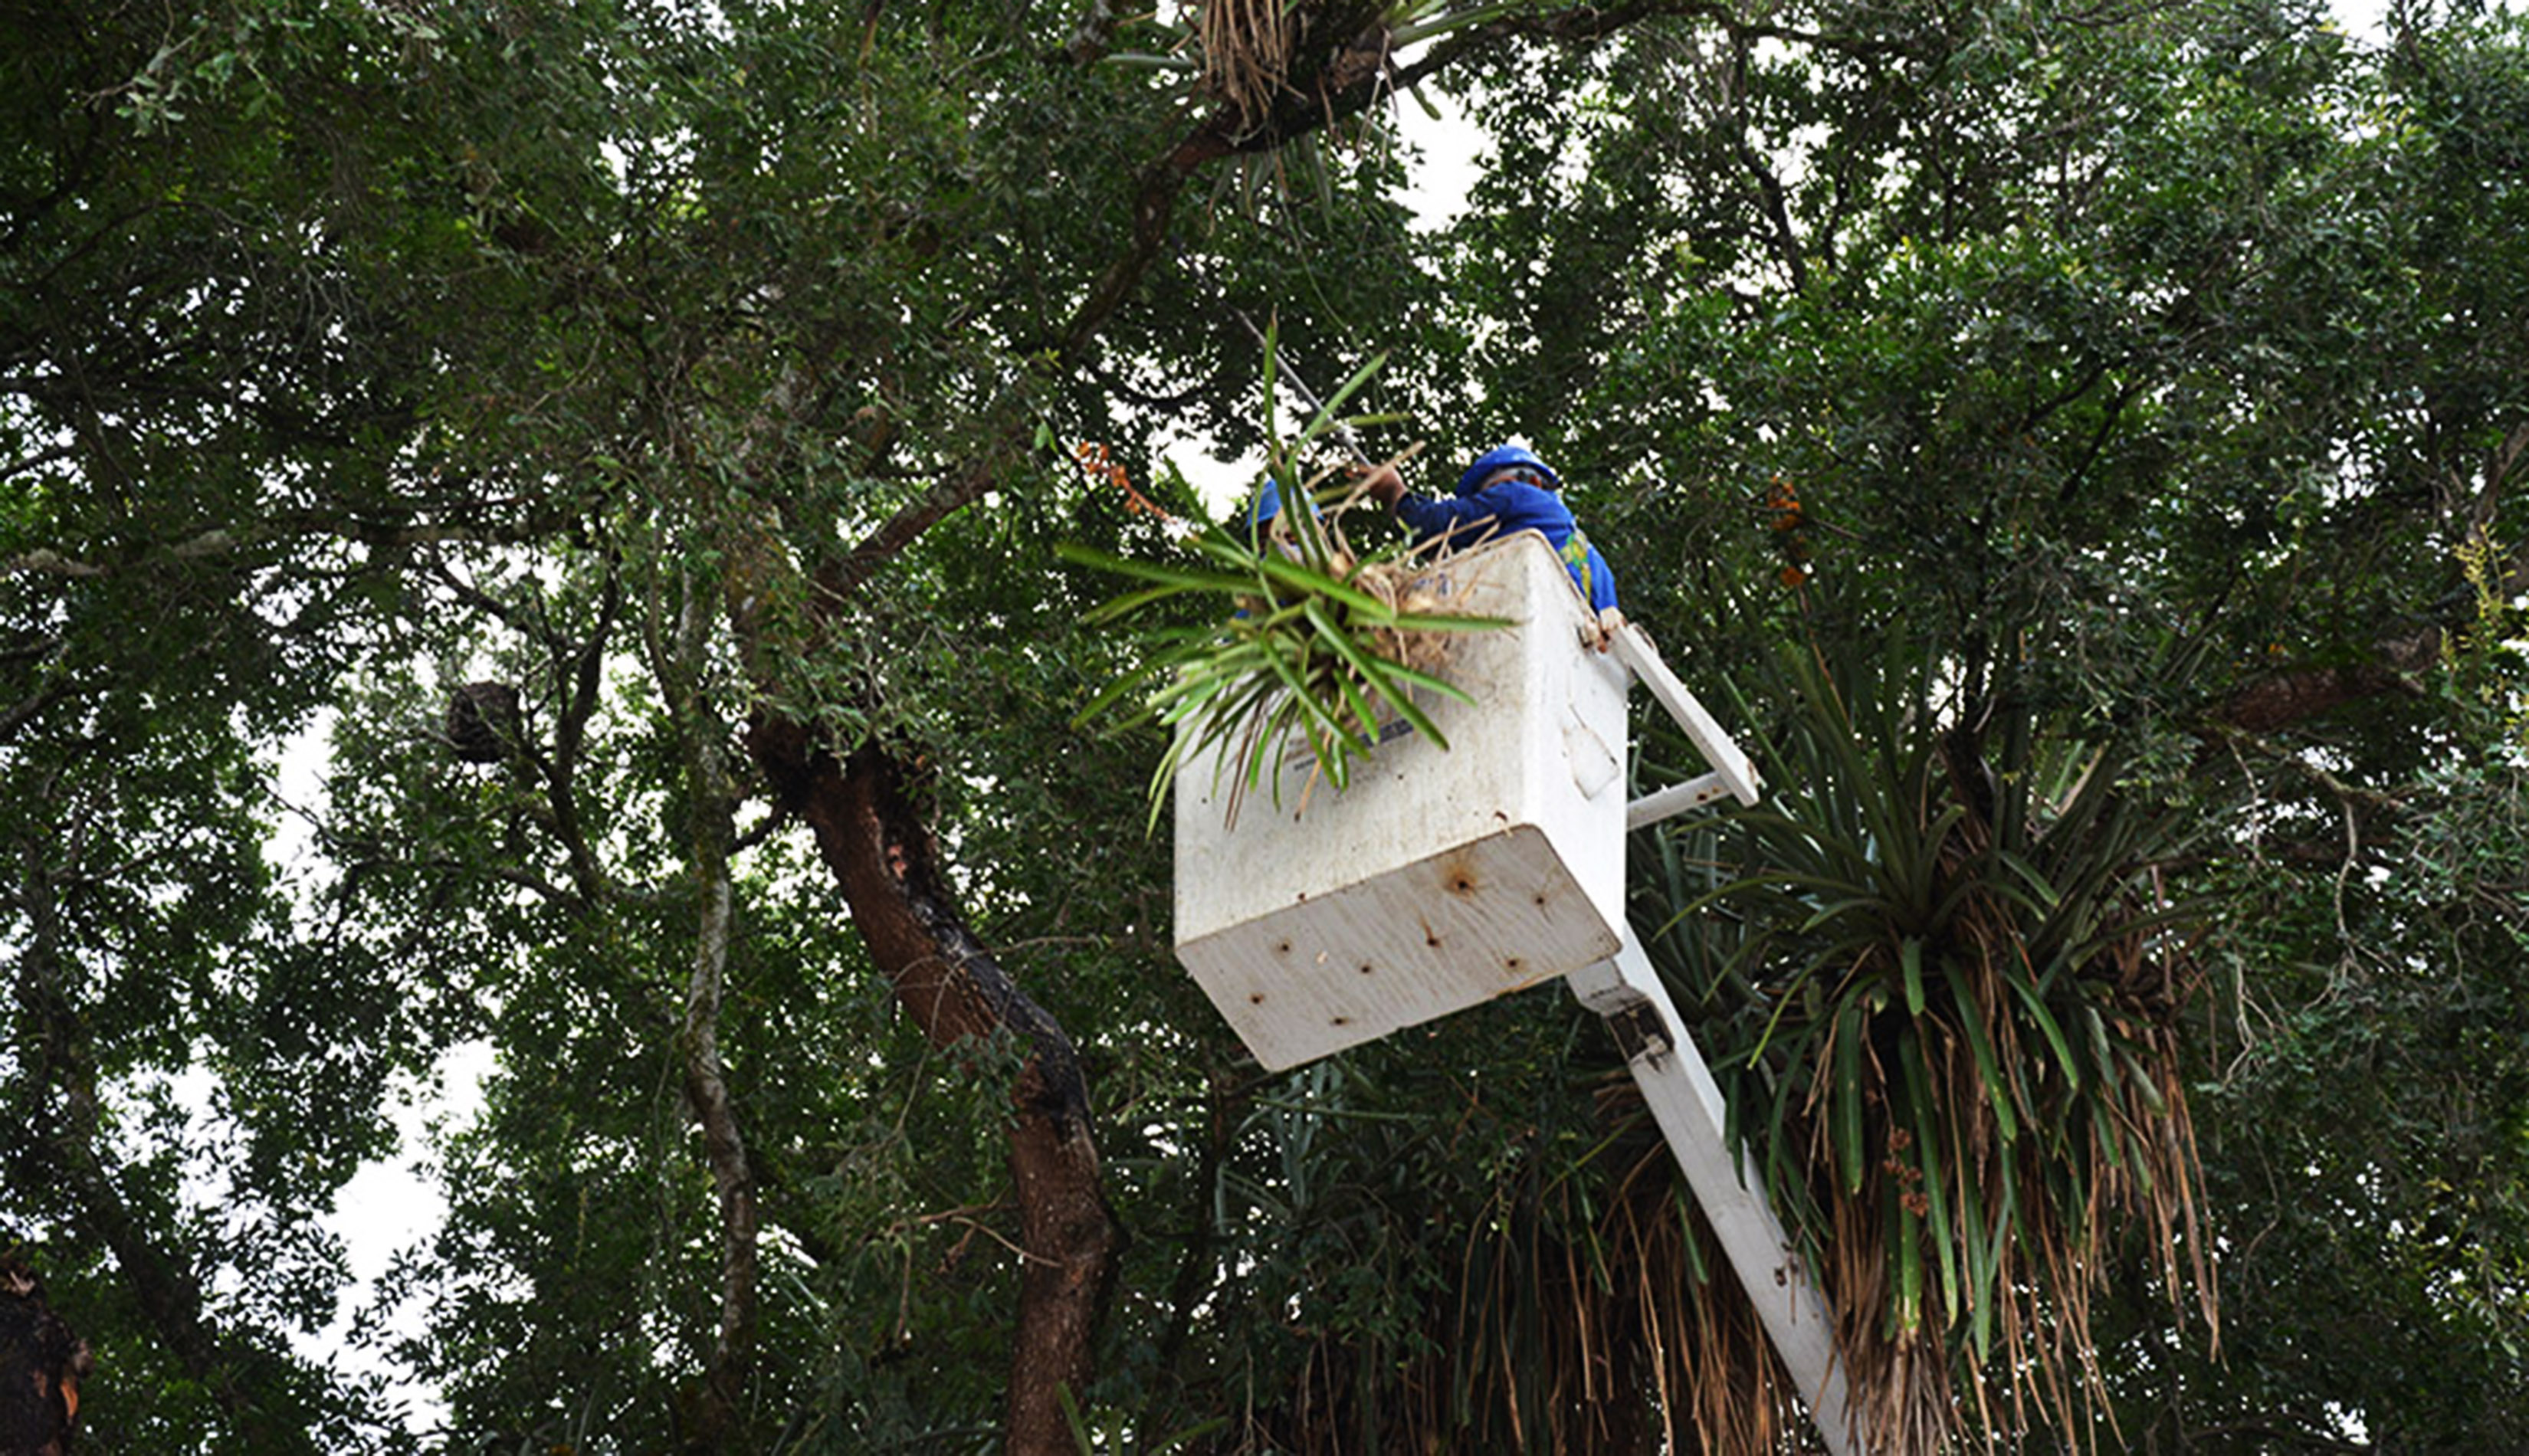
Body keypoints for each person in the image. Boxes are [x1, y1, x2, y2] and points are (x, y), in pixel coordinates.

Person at [1362, 444, 1624, 642]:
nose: (1490, 501)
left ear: (1532, 482)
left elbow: (1434, 527)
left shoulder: (1519, 494)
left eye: (1489, 494)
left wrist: (1395, 493)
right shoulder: (1596, 564)